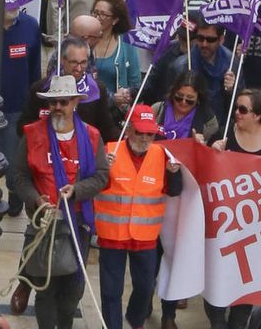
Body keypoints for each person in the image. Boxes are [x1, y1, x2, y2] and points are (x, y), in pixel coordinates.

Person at [12, 72, 104, 329]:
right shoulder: (31, 134)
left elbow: (102, 176)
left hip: (77, 224)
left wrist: (77, 190)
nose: (58, 107)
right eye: (54, 102)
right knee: (45, 288)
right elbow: (19, 176)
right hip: (44, 223)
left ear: (75, 102)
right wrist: (34, 199)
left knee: (72, 291)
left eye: (64, 102)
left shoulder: (92, 136)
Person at [88, 101, 181, 329]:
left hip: (145, 238)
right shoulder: (109, 151)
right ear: (128, 129)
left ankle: (134, 320)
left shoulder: (162, 155)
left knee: (145, 287)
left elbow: (174, 191)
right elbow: (90, 187)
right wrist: (101, 170)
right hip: (113, 235)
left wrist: (175, 174)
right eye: (140, 132)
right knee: (111, 290)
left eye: (150, 134)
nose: (145, 139)